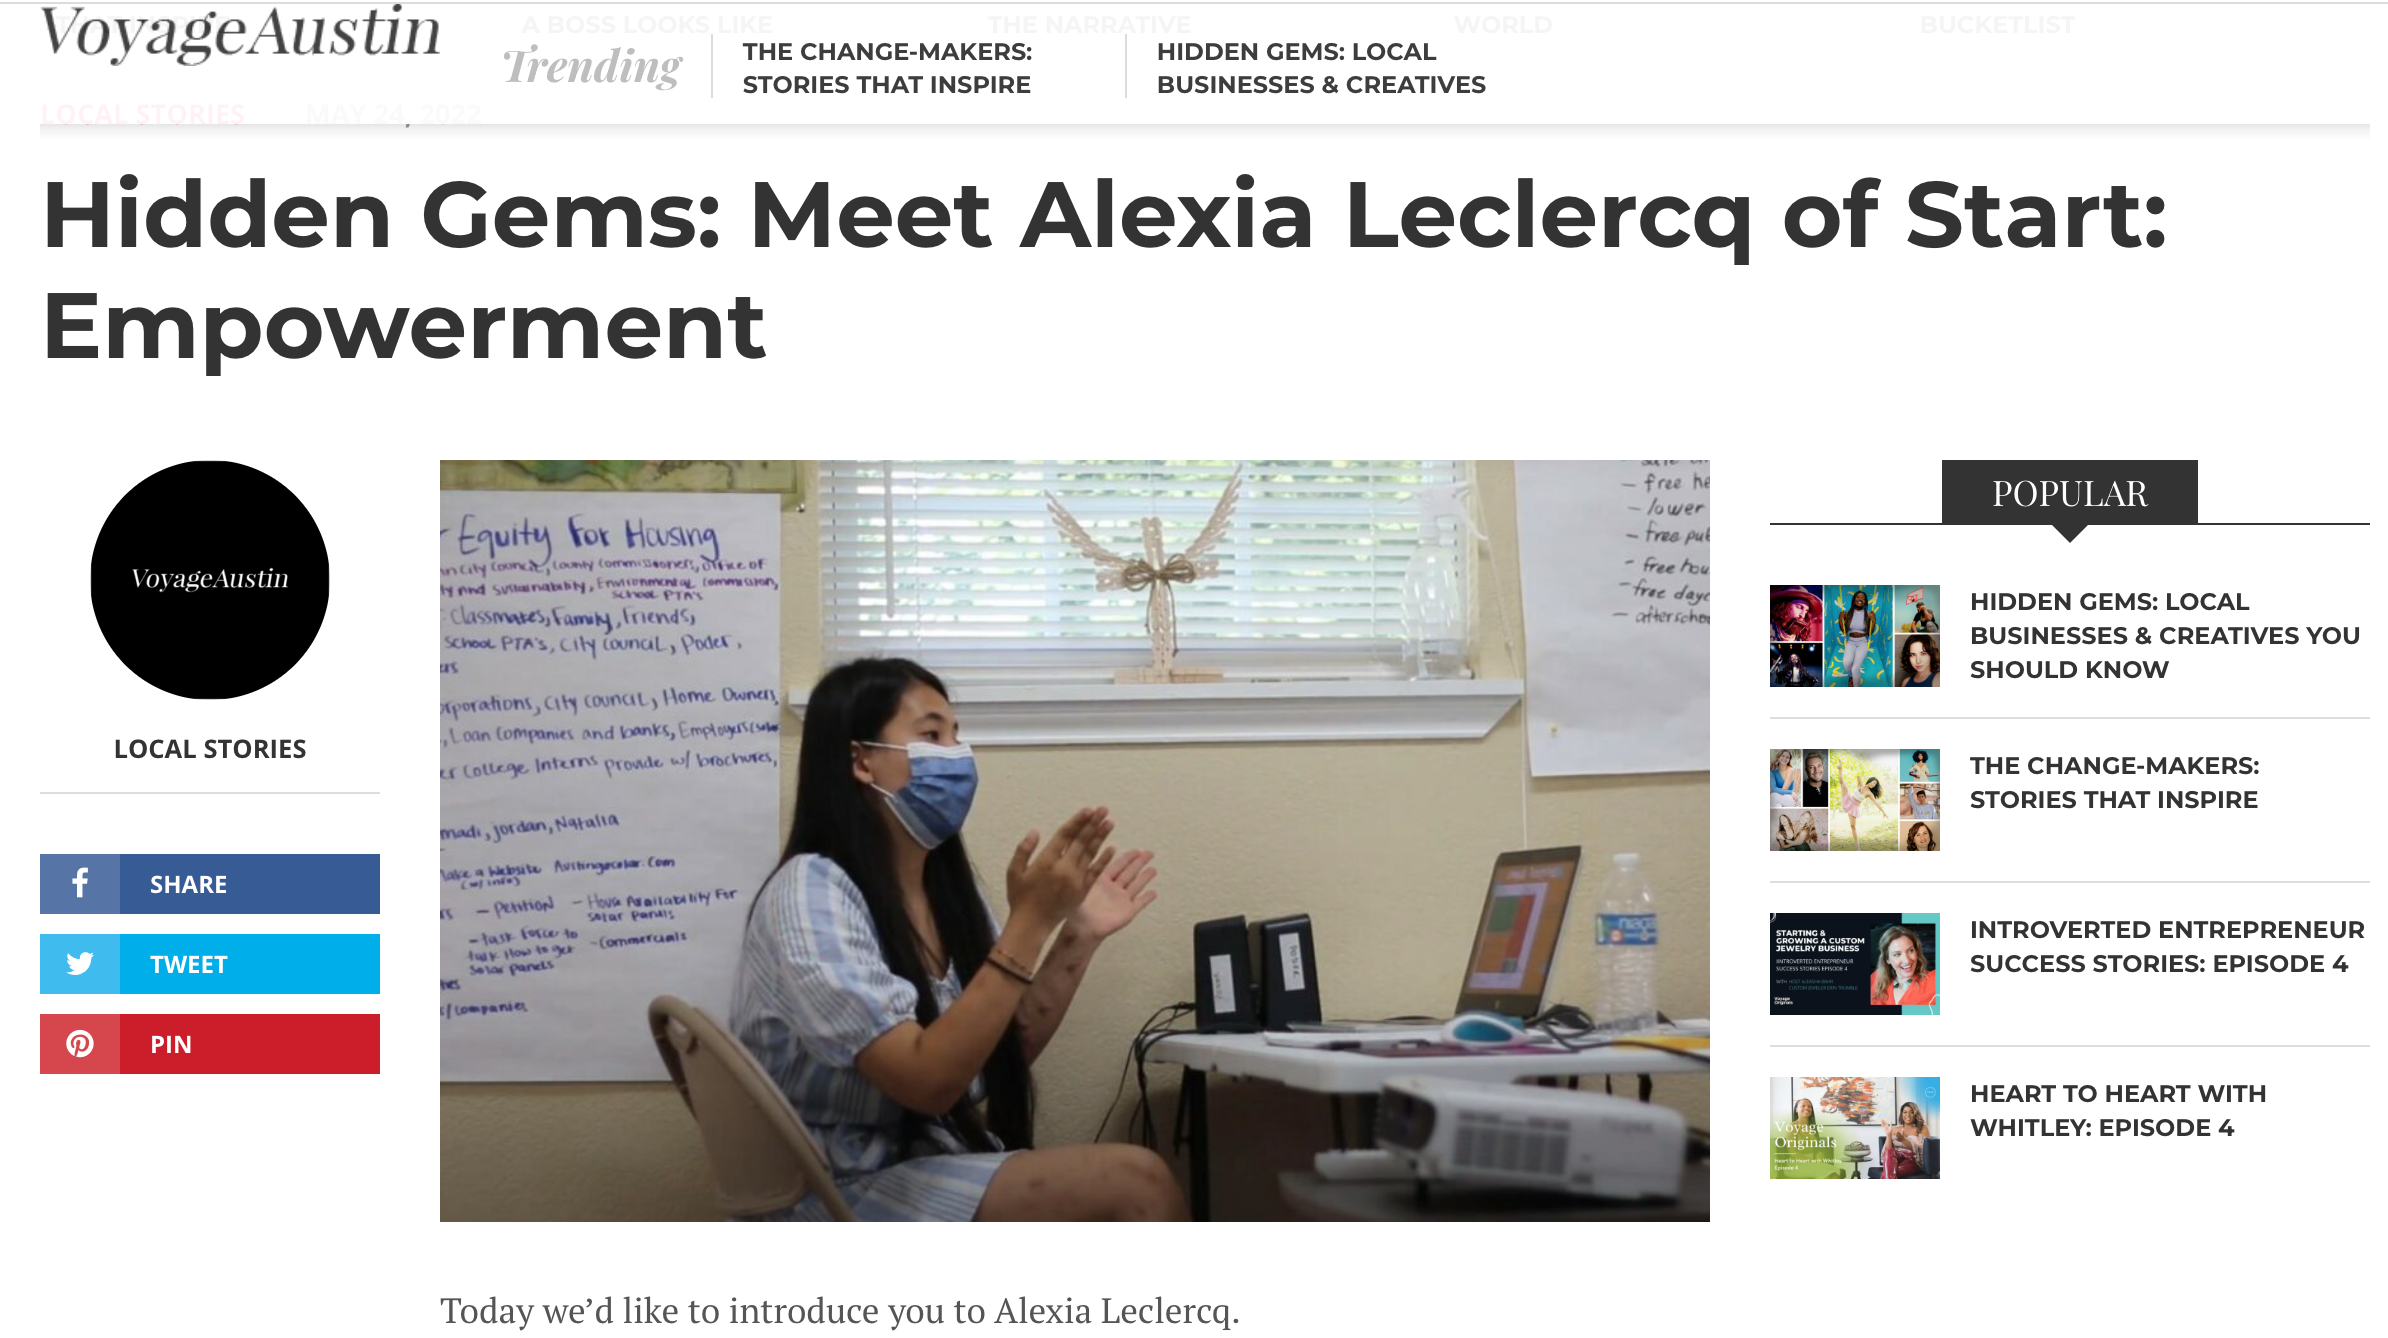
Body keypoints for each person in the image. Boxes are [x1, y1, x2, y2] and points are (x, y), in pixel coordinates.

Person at [730, 657, 1182, 1222]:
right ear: (862, 760)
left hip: (923, 1163)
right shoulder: (810, 892)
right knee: (1136, 1182)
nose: (957, 755)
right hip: (827, 1190)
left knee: (1135, 1181)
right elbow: (927, 1083)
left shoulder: (947, 891)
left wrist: (1076, 935)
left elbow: (988, 1060)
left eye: (956, 736)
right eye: (931, 736)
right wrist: (1029, 923)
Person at [1870, 926, 1936, 1005]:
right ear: (1887, 959)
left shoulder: (1934, 979)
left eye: (1910, 951)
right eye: (1897, 954)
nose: (1906, 961)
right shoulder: (1876, 978)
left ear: (1916, 951)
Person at [1838, 763, 1892, 847]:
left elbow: (1876, 803)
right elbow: (1858, 776)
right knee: (1843, 785)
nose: (1873, 785)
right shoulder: (1861, 785)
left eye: (1875, 784)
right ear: (1870, 781)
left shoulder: (1869, 793)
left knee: (1853, 826)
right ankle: (1840, 768)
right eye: (1873, 783)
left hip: (1854, 806)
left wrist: (1883, 812)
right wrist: (1861, 785)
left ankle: (1857, 846)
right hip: (1849, 799)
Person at [1879, 1101, 1931, 1179]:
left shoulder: (1922, 1128)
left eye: (1911, 1112)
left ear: (1916, 1114)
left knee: (1889, 1172)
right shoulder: (1895, 1129)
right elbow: (1888, 1150)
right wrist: (1889, 1134)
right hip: (1896, 1159)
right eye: (1905, 1112)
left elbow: (1923, 1150)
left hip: (1913, 1160)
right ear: (1901, 1114)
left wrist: (1903, 1140)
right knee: (1889, 1151)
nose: (1908, 1115)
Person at [1838, 591, 1876, 685]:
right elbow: (1844, 631)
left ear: (1865, 602)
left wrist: (1873, 620)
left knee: (1855, 668)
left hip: (1862, 642)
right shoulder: (1848, 613)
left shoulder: (1868, 614)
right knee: (1846, 663)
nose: (1860, 600)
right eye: (1858, 597)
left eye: (1863, 598)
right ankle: (1851, 676)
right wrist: (1840, 619)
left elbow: (1869, 633)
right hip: (1851, 641)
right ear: (1854, 599)